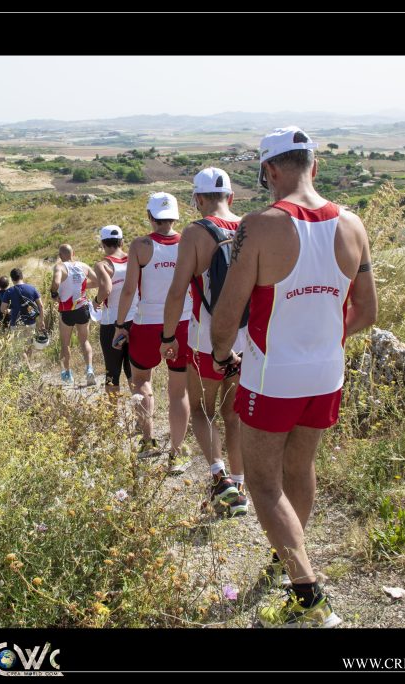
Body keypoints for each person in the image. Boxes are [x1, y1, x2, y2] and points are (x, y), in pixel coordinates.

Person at [210, 126, 377, 628]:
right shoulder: (353, 224)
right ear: (314, 166)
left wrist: (222, 356)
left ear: (269, 171)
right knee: (299, 470)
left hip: (272, 372)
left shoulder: (259, 227)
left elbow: (227, 313)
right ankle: (290, 557)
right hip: (327, 372)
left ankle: (307, 595)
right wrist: (323, 340)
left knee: (262, 481)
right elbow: (367, 311)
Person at [161, 168, 249, 517]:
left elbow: (177, 291)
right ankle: (239, 484)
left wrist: (168, 337)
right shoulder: (250, 227)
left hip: (206, 338)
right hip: (245, 340)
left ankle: (219, 477)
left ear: (197, 199)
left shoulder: (196, 233)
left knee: (200, 409)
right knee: (234, 415)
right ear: (231, 196)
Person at [113, 192, 194, 474]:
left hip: (146, 323)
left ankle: (147, 441)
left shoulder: (140, 246)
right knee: (178, 391)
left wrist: (120, 323)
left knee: (141, 382)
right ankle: (176, 454)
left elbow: (128, 289)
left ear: (150, 216)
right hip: (182, 323)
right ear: (175, 216)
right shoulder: (188, 243)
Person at [93, 225, 137, 398]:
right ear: (122, 241)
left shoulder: (103, 264)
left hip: (112, 322)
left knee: (112, 371)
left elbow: (106, 288)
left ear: (103, 243)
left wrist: (96, 301)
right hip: (135, 320)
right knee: (133, 371)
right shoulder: (134, 260)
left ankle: (111, 420)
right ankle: (141, 416)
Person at [51, 244, 99, 386]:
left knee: (65, 344)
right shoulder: (83, 265)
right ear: (73, 253)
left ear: (60, 256)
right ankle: (89, 369)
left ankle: (68, 374)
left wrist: (54, 293)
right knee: (84, 341)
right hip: (82, 308)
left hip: (66, 310)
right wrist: (83, 286)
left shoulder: (59, 267)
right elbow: (97, 281)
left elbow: (56, 282)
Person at [0, 267, 47, 364]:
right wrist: (42, 321)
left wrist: (10, 311)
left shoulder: (9, 291)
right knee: (29, 346)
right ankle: (28, 366)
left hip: (16, 324)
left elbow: (2, 309)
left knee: (19, 349)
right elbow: (41, 306)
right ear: (22, 276)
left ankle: (27, 369)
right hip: (31, 322)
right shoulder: (32, 288)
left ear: (12, 279)